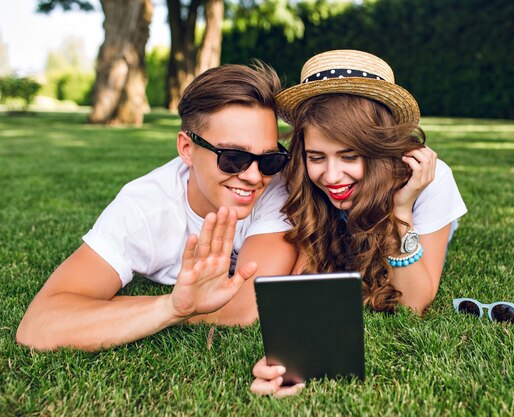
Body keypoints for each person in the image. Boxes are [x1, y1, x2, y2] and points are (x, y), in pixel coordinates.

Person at [16, 63, 297, 351]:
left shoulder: (276, 185)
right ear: (187, 149)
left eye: (269, 159)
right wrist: (171, 307)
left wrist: (108, 310)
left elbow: (248, 306)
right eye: (233, 158)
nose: (253, 176)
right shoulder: (145, 206)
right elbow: (40, 323)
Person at [250, 49, 467, 396]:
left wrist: (401, 209)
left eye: (350, 156)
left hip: (417, 227)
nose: (332, 176)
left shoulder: (431, 179)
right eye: (317, 157)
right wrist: (287, 361)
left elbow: (413, 305)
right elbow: (306, 285)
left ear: (380, 148)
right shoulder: (300, 180)